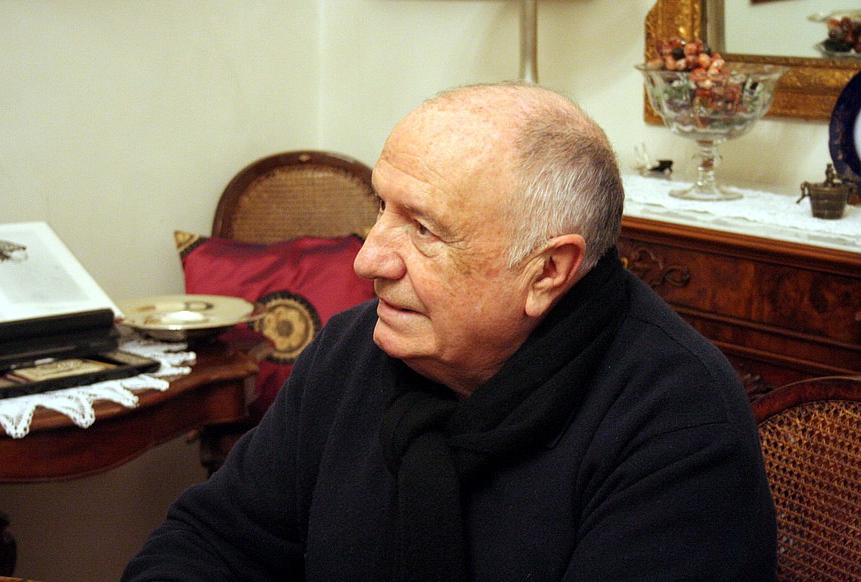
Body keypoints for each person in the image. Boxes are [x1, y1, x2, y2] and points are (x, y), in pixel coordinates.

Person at [123, 82, 777, 581]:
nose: (367, 260)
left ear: (547, 271)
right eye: (382, 208)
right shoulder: (352, 348)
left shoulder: (679, 421)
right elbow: (211, 541)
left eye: (424, 228)